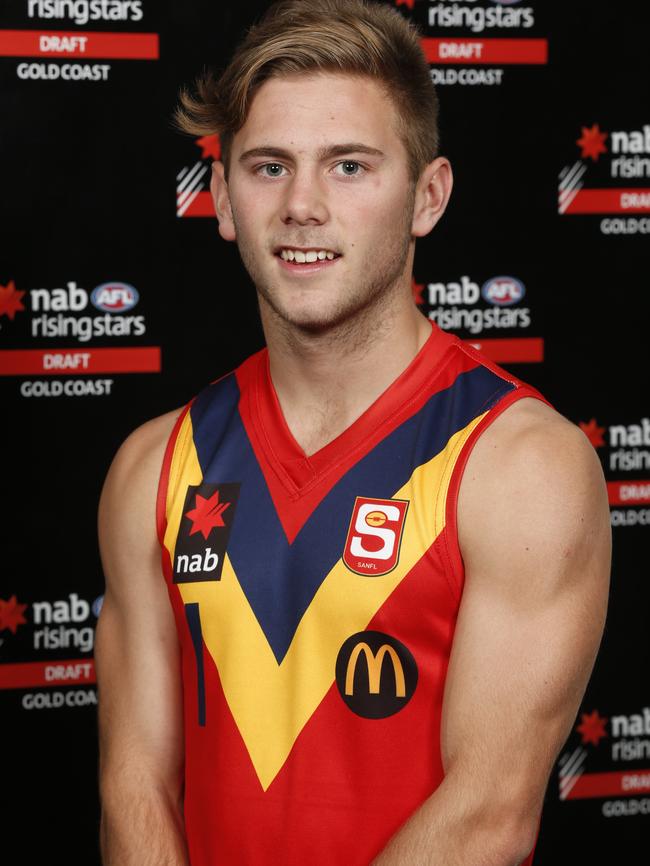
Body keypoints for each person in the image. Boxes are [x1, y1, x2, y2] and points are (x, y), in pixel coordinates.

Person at [95, 1, 611, 864]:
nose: (302, 205)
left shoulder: (519, 463)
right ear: (222, 199)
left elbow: (489, 813)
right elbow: (132, 784)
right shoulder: (155, 465)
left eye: (348, 166)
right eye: (268, 167)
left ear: (427, 197)